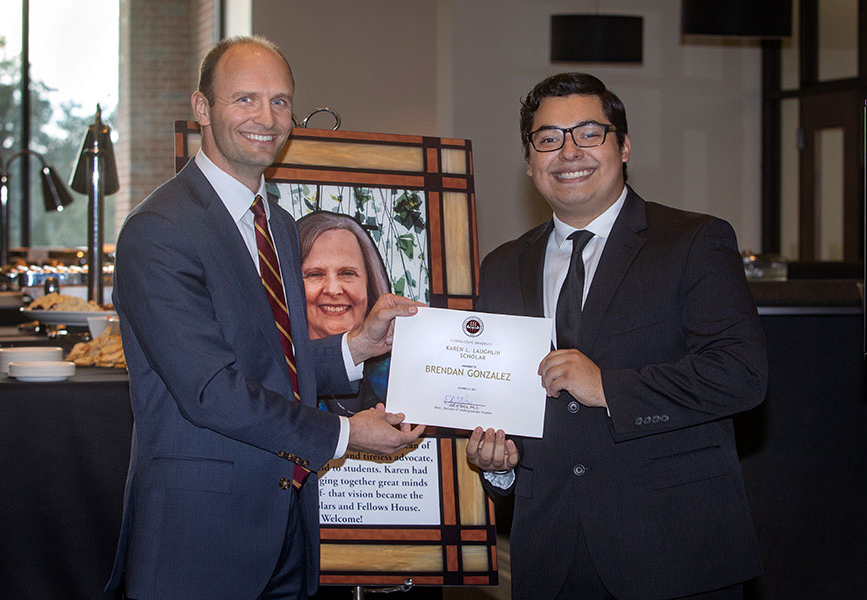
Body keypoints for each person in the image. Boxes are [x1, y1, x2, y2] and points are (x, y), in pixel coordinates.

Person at [105, 36, 425, 600]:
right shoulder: (159, 230)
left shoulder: (275, 222)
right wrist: (348, 433)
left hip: (287, 530)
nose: (266, 117)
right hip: (200, 539)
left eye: (280, 102)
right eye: (245, 99)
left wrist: (357, 344)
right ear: (202, 108)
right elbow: (210, 389)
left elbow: (270, 365)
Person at [465, 73, 768, 600]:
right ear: (530, 159)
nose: (568, 152)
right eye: (548, 138)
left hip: (674, 553)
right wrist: (500, 467)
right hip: (549, 555)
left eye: (588, 133)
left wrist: (609, 387)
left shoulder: (693, 241)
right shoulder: (500, 266)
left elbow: (740, 375)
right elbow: (501, 404)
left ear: (623, 146)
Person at [297, 211, 391, 414]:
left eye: (347, 273)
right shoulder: (271, 371)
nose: (333, 289)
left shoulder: (400, 374)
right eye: (315, 274)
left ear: (370, 283)